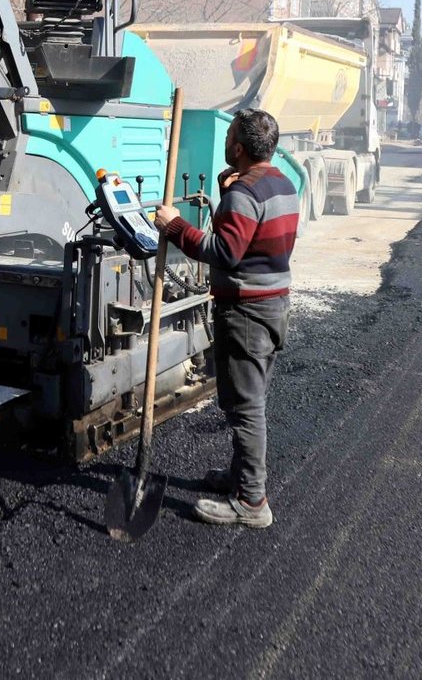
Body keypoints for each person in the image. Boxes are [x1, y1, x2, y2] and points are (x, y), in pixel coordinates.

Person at [154, 109, 298, 530]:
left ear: (237, 147)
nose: (226, 140)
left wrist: (175, 227)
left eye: (230, 135)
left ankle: (252, 502)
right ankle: (240, 479)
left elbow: (225, 252)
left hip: (247, 312)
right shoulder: (281, 184)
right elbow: (253, 238)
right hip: (273, 306)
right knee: (250, 399)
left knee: (246, 407)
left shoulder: (243, 195)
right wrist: (226, 194)